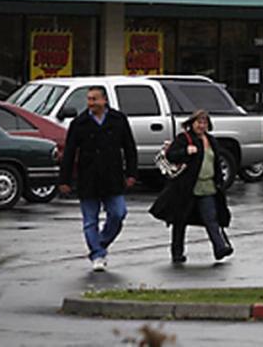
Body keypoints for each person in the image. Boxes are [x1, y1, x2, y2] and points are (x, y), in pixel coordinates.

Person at [58, 85, 138, 272]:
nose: (91, 103)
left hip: (113, 177)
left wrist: (132, 174)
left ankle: (100, 242)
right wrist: (64, 180)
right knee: (90, 221)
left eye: (94, 99)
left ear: (104, 100)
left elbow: (129, 148)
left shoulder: (118, 120)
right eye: (89, 99)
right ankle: (97, 254)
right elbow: (69, 153)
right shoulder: (80, 123)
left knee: (118, 213)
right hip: (89, 178)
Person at [150, 110, 233, 263]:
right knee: (180, 220)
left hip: (207, 186)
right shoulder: (184, 139)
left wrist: (219, 182)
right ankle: (177, 252)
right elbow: (171, 155)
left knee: (211, 218)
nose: (202, 126)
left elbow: (215, 162)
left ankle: (220, 248)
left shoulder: (212, 140)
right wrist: (185, 151)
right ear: (192, 123)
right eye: (199, 122)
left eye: (204, 123)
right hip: (186, 188)